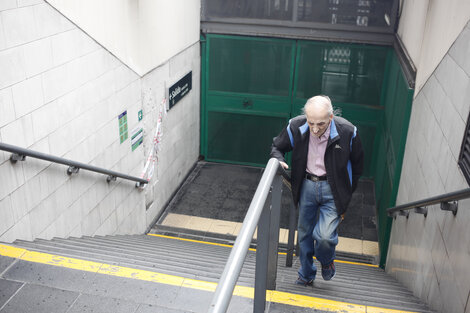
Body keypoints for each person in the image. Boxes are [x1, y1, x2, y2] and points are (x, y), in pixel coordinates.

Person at [271, 95, 364, 285]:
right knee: (304, 233)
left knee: (324, 237)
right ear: (305, 117)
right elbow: (276, 146)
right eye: (310, 122)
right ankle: (306, 274)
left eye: (320, 124)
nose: (314, 129)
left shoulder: (347, 131)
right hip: (307, 186)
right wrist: (278, 160)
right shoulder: (296, 126)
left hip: (333, 189)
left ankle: (327, 261)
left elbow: (357, 166)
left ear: (330, 118)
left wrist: (346, 195)